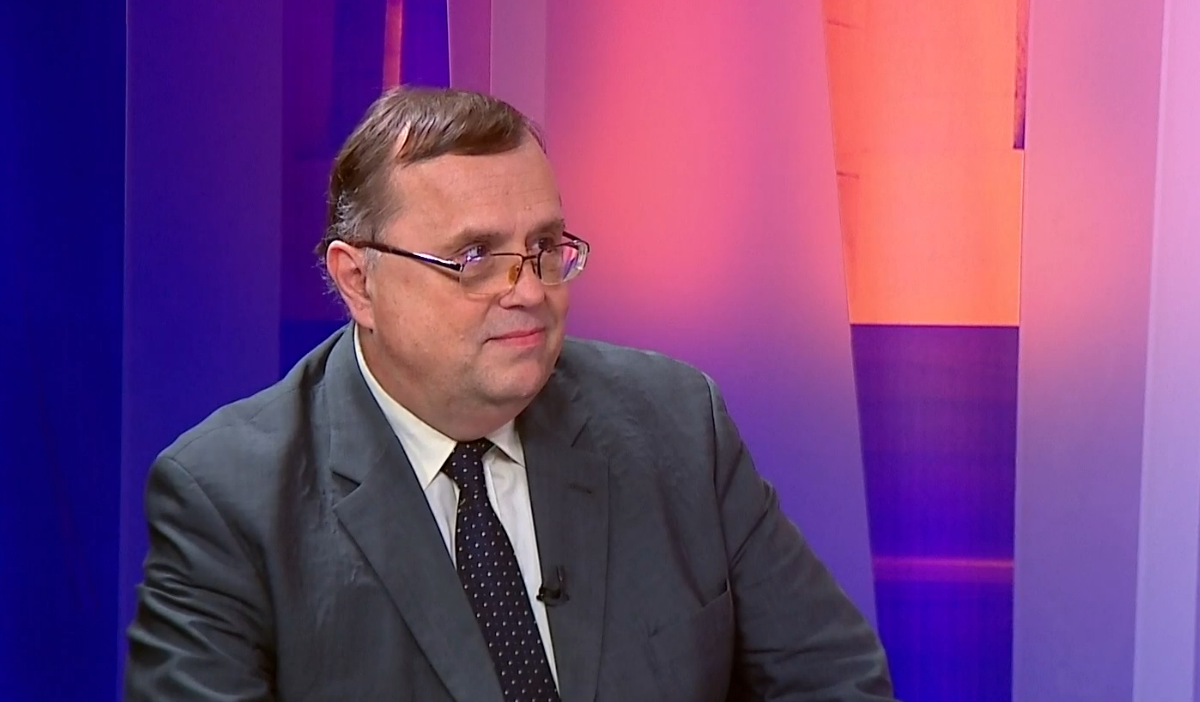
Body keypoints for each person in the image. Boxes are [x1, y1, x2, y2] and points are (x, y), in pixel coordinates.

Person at [124, 86, 895, 702]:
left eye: (543, 248)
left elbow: (834, 680)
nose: (527, 290)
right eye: (473, 257)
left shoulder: (676, 424)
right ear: (358, 281)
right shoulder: (231, 498)